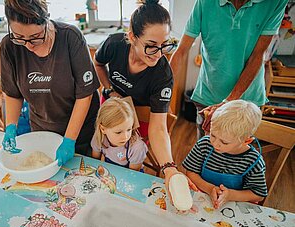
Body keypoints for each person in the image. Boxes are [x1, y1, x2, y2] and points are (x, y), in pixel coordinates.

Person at [94, 0, 188, 188]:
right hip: (113, 103)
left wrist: (169, 168)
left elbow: (159, 128)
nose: (158, 54)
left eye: (165, 45)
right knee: (103, 144)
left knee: (129, 152)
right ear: (132, 37)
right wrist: (110, 90)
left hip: (142, 118)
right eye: (151, 45)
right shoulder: (114, 44)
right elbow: (98, 64)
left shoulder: (163, 75)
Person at [0, 0, 100, 166]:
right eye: (19, 38)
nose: (28, 46)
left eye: (35, 37)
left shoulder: (70, 38)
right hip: (43, 129)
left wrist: (69, 140)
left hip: (81, 131)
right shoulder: (8, 47)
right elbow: (13, 93)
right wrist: (11, 126)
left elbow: (85, 95)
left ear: (46, 21)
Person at [170, 0, 287, 138]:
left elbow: (257, 56)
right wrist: (164, 95)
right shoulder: (204, 2)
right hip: (208, 96)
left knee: (234, 154)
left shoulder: (275, 2)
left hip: (245, 103)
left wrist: (227, 102)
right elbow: (181, 51)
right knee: (204, 150)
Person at [183, 100, 267, 209]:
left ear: (246, 141)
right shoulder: (204, 144)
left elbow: (258, 195)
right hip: (200, 197)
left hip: (233, 205)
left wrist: (231, 195)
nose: (215, 143)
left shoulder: (253, 161)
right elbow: (191, 172)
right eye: (213, 135)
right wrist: (210, 188)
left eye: (224, 142)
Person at [91, 98, 148, 171]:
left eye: (129, 129)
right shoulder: (99, 138)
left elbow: (132, 175)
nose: (125, 137)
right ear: (103, 129)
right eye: (118, 132)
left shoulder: (137, 148)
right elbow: (94, 163)